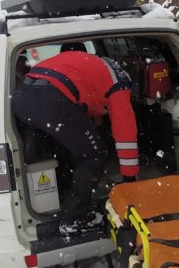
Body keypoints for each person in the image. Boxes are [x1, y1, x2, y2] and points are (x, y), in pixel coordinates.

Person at [13, 45, 139, 236]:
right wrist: (130, 180)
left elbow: (85, 106)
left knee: (65, 146)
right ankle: (74, 218)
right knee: (95, 154)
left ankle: (65, 196)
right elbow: (125, 133)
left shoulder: (96, 67)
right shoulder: (120, 84)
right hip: (50, 99)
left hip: (23, 97)